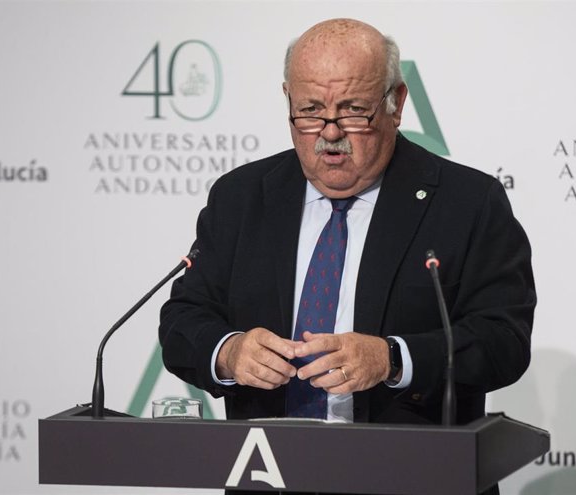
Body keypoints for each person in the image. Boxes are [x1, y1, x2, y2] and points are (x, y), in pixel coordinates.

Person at [159, 18, 535, 495]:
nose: (329, 133)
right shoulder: (241, 198)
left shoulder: (467, 202)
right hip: (268, 476)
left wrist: (393, 358)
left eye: (353, 110)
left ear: (396, 103)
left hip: (414, 480)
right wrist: (229, 351)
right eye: (310, 111)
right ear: (288, 101)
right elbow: (182, 320)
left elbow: (503, 339)